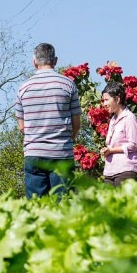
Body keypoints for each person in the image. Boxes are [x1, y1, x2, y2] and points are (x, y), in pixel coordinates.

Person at [14, 42, 80, 198]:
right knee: (63, 206)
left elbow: (21, 127)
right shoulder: (68, 85)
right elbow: (76, 123)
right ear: (55, 60)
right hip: (61, 153)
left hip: (34, 152)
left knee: (37, 207)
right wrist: (66, 139)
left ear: (34, 61)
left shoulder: (24, 88)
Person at [98, 82, 137, 185]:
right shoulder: (113, 119)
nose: (104, 104)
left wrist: (111, 150)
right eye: (103, 100)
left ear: (117, 99)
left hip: (125, 171)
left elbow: (134, 144)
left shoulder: (129, 117)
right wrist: (106, 150)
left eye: (107, 100)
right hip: (110, 171)